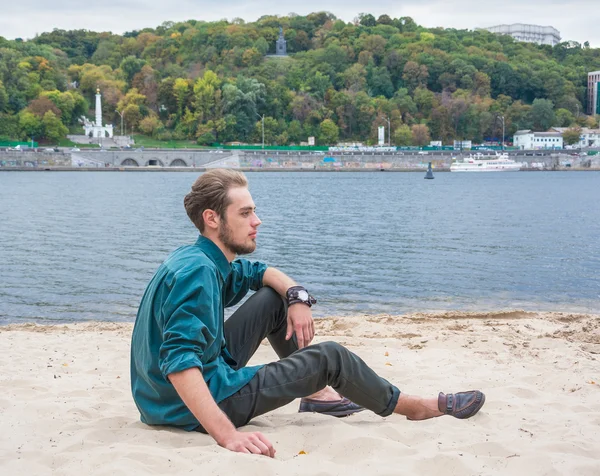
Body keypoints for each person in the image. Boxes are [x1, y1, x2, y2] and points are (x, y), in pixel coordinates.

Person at [130, 169, 485, 458]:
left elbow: (259, 273)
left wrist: (297, 297)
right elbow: (179, 362)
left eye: (254, 210)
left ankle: (316, 398)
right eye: (245, 213)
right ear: (212, 218)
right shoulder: (198, 273)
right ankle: (413, 406)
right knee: (330, 358)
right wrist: (226, 435)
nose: (258, 221)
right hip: (187, 405)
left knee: (275, 297)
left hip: (167, 394)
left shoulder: (200, 257)